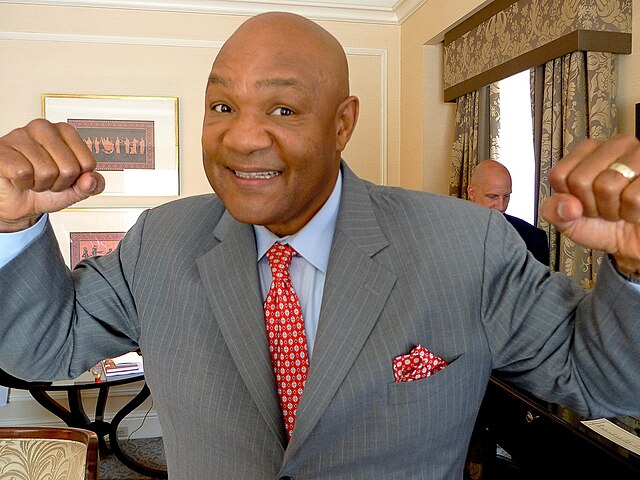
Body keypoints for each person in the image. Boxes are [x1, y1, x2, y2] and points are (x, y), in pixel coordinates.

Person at [1, 11, 640, 480]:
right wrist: (13, 227)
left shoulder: (466, 244)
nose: (242, 138)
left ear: (342, 123)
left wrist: (634, 267)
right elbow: (42, 347)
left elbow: (602, 380)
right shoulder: (159, 241)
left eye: (283, 110)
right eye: (222, 106)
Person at [467, 159, 550, 265]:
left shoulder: (533, 238)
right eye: (493, 196)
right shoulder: (449, 231)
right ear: (472, 193)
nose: (501, 207)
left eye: (506, 196)